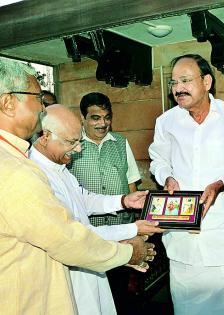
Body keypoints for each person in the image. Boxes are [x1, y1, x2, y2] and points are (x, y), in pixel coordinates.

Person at [0, 56, 150, 314]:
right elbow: (68, 237)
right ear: (8, 103)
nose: (41, 109)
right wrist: (129, 252)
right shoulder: (16, 169)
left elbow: (81, 200)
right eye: (37, 98)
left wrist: (123, 201)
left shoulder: (31, 163)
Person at [149, 54, 224, 315]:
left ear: (206, 82)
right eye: (173, 82)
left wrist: (222, 185)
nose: (178, 88)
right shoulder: (166, 122)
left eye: (185, 80)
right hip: (184, 248)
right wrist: (166, 176)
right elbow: (157, 160)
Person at [29, 104, 163, 315]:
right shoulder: (33, 175)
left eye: (79, 141)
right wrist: (132, 230)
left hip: (88, 265)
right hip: (66, 275)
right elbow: (74, 234)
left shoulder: (58, 167)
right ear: (45, 136)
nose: (79, 149)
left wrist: (123, 201)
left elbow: (83, 200)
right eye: (72, 142)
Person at [68, 92, 142, 313]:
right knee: (90, 295)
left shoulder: (120, 142)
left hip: (120, 231)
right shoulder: (72, 145)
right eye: (95, 118)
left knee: (119, 290)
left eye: (107, 117)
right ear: (83, 118)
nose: (103, 123)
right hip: (87, 234)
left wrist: (136, 227)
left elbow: (131, 185)